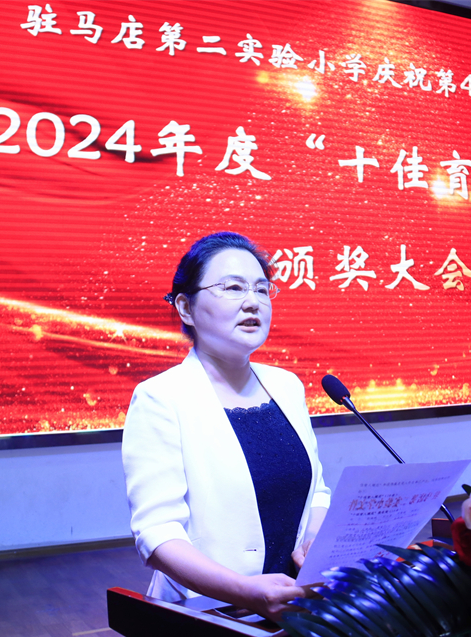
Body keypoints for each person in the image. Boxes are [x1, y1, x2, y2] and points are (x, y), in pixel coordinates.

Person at [121, 232, 330, 621]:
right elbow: (158, 533)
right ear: (185, 307)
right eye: (233, 288)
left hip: (295, 606)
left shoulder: (287, 386)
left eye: (262, 289)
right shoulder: (160, 398)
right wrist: (245, 591)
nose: (253, 302)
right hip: (209, 611)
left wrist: (316, 538)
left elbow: (316, 489)